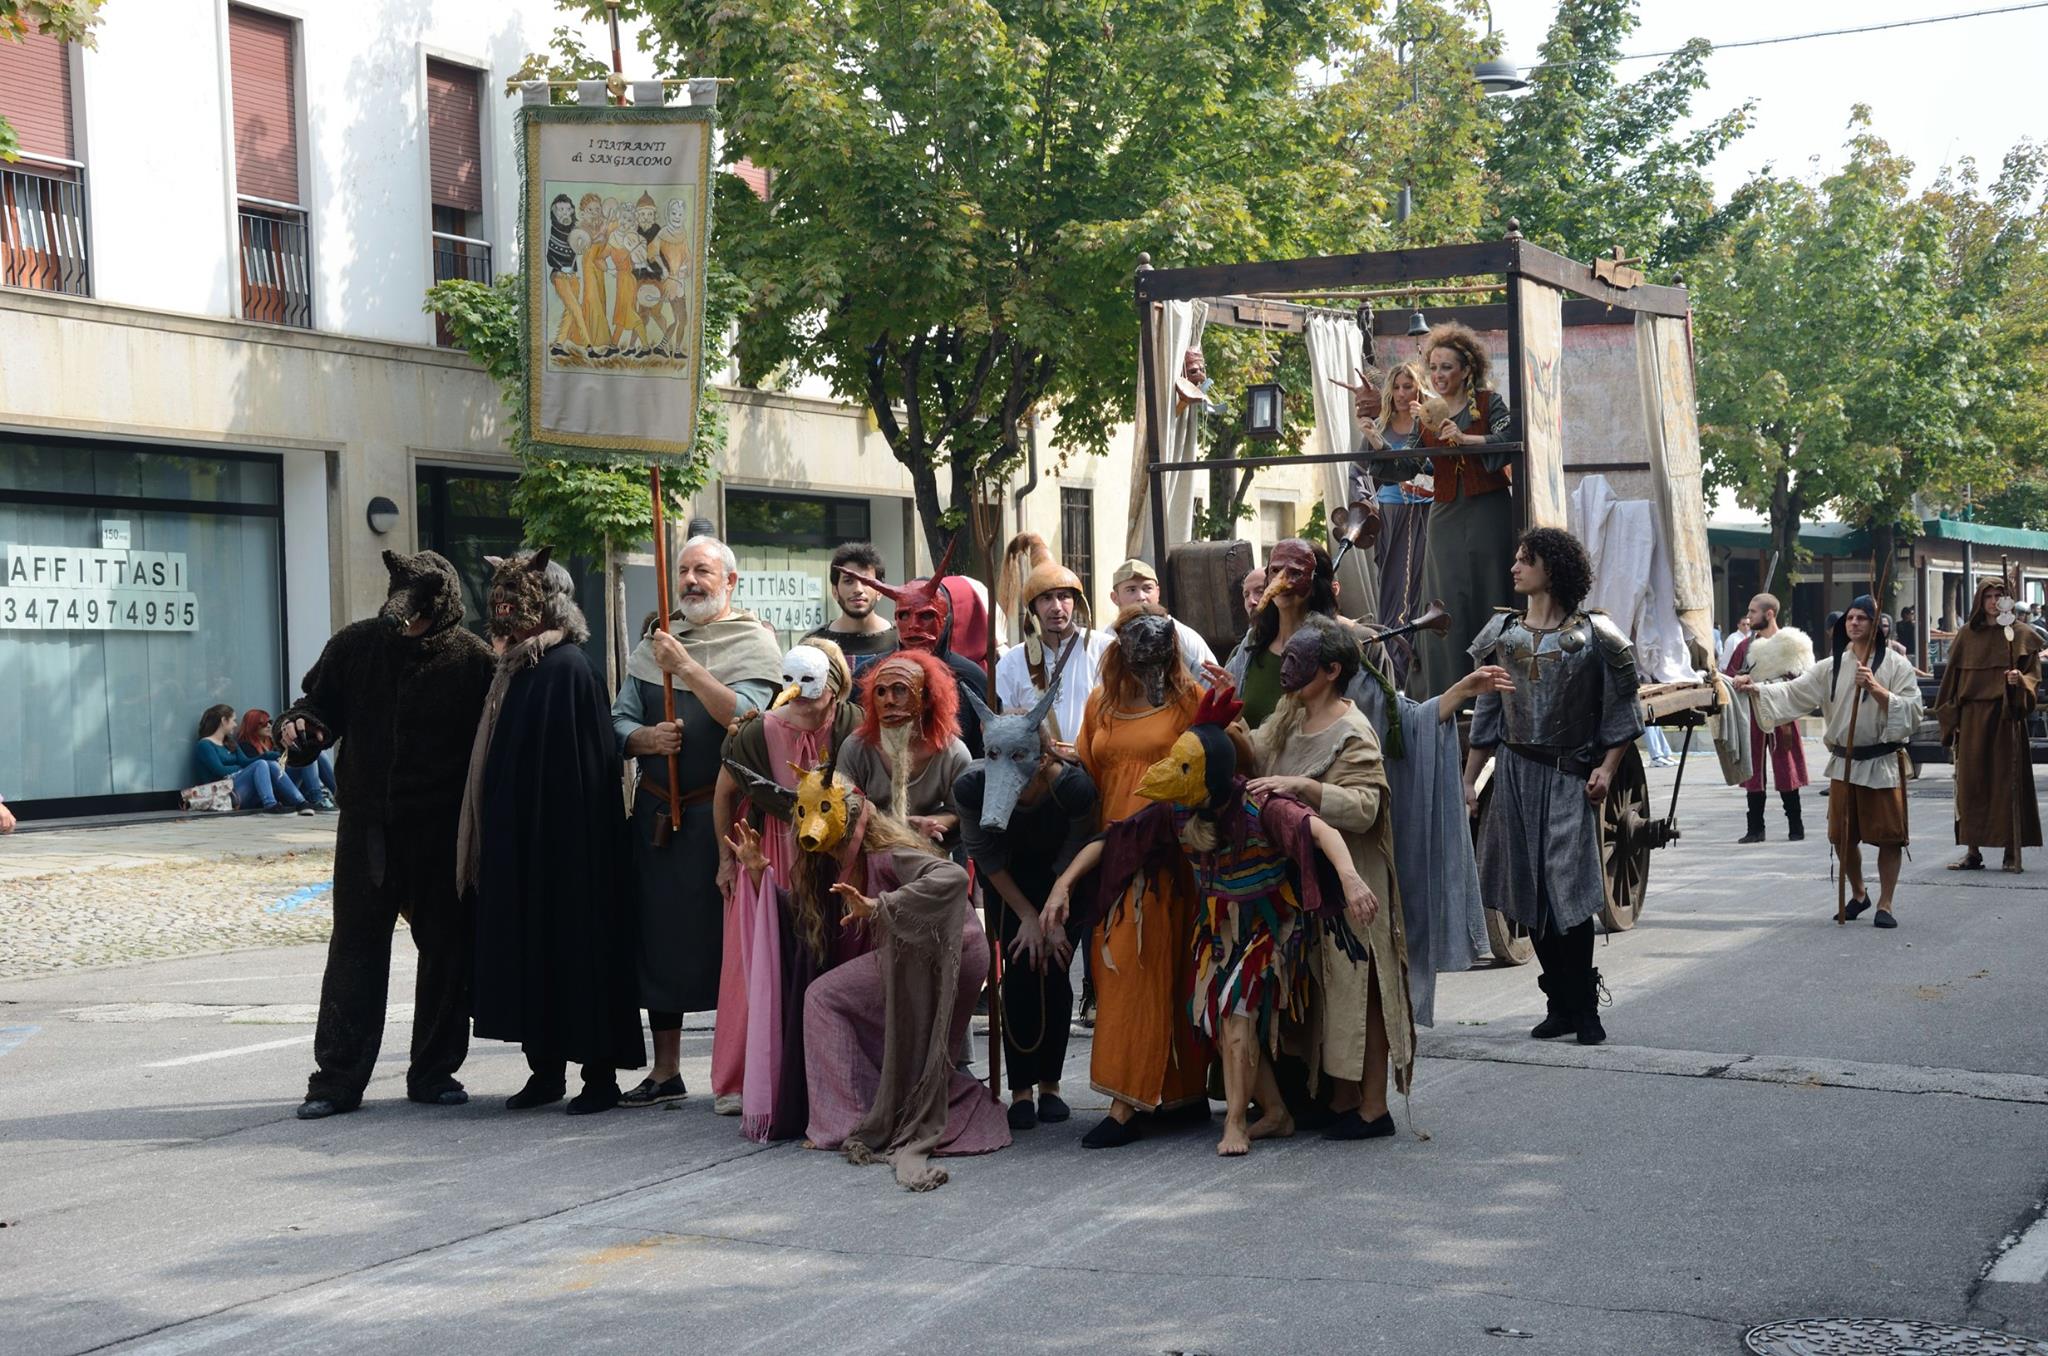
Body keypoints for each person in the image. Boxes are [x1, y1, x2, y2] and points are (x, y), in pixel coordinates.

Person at [1044, 682, 1380, 1157]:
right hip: (1217, 932)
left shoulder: (1260, 805)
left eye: (1185, 766)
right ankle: (1276, 1113)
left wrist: (1350, 879)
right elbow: (1113, 841)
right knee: (1217, 1020)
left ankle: (1236, 1124)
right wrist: (1063, 885)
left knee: (1232, 1009)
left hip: (1269, 930)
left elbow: (1320, 831)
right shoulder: (1178, 811)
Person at [1221, 536, 1493, 1034]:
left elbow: (1393, 722)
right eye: (1275, 570)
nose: (1281, 581)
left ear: (1316, 583)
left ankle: (1344, 1073)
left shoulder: (1339, 650)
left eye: (1295, 572)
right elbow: (1234, 732)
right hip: (1261, 828)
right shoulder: (1249, 653)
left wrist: (1452, 697)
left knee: (1334, 974)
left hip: (1330, 826)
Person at [282, 548, 494, 1120]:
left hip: (441, 832)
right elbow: (316, 707)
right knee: (355, 949)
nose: (411, 623)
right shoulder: (356, 645)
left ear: (443, 606)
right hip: (367, 827)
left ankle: (434, 1071)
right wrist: (303, 732)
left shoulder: (472, 660)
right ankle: (336, 1079)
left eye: (421, 613)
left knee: (446, 949)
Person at [724, 775, 1011, 1190]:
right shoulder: (831, 860)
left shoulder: (885, 853)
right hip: (910, 953)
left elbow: (952, 878)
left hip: (949, 952)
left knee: (823, 997)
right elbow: (803, 921)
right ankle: (876, 1110)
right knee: (835, 1000)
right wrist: (759, 875)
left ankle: (849, 1123)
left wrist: (880, 905)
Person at [461, 549, 645, 1113]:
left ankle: (599, 1077)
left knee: (577, 951)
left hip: (569, 847)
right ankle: (545, 1070)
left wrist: (566, 843)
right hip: (525, 841)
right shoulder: (518, 670)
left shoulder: (568, 669)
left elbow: (587, 769)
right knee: (533, 949)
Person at [611, 535, 783, 1109]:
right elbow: (616, 721)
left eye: (702, 571)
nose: (689, 580)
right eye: (683, 570)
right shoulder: (655, 646)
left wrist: (684, 666)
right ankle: (665, 1070)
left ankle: (743, 1070)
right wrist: (644, 738)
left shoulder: (754, 642)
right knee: (660, 940)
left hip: (729, 818)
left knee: (736, 942)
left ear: (729, 581)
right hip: (661, 814)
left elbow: (747, 717)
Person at [1464, 527, 1643, 1045]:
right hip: (1514, 773)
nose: (1515, 568)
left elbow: (1621, 712)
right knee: (1527, 886)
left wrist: (1607, 768)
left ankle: (1584, 1006)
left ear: (1553, 569)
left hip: (1568, 775)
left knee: (1566, 886)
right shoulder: (1501, 634)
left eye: (1526, 560)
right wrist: (1469, 780)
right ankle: (1559, 1003)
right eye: (1517, 559)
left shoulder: (1598, 636)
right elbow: (1488, 715)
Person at [1043, 604, 1209, 1149]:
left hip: (1167, 855)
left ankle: (1127, 1104)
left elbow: (1218, 763)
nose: (1147, 662)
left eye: (1158, 652)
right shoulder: (1101, 704)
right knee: (1132, 967)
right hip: (1110, 851)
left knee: (1146, 967)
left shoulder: (1190, 700)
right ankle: (1175, 1093)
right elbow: (1090, 775)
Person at [1246, 617, 1416, 1140]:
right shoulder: (1289, 715)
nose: (1285, 667)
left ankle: (1373, 1108)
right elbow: (1253, 752)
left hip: (1354, 883)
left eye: (1298, 660)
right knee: (1326, 992)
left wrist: (1306, 788)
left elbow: (1366, 808)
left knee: (1364, 992)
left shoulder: (1353, 730)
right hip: (1306, 883)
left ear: (1332, 671)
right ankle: (1339, 1097)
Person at [713, 641, 861, 1132]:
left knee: (829, 958)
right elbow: (725, 791)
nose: (797, 692)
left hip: (834, 858)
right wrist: (726, 861)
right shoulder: (758, 731)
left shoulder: (852, 726)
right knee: (758, 962)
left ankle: (821, 1073)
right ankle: (745, 1078)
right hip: (772, 854)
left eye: (809, 682)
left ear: (833, 688)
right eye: (790, 680)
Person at [955, 645, 1096, 1130]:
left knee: (1054, 968)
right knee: (1017, 970)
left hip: (1064, 879)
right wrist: (1027, 916)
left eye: (1017, 756)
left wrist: (1054, 914)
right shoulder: (972, 788)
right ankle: (1020, 1090)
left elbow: (1077, 848)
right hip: (1008, 881)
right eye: (996, 755)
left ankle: (1051, 1084)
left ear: (1041, 756)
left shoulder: (1073, 788)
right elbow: (985, 854)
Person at [1735, 595, 1921, 927]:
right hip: (1844, 763)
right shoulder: (1831, 666)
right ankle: (1860, 894)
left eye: (1862, 618)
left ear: (1874, 625)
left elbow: (1912, 711)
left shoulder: (1897, 666)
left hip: (1881, 762)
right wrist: (1758, 689)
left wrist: (1876, 688)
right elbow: (1795, 691)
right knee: (1841, 835)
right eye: (1850, 618)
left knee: (1889, 836)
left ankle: (1886, 903)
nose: (1854, 623)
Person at [1393, 322, 1515, 698]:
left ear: (1466, 369)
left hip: (1489, 511)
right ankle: (1448, 692)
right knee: (1446, 599)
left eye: (1446, 367)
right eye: (1433, 367)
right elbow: (1409, 460)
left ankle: (1496, 687)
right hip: (1445, 514)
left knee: (1492, 591)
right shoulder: (1428, 413)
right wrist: (1377, 442)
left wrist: (1466, 439)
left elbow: (1510, 438)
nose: (1438, 374)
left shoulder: (1489, 403)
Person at [837, 543, 989, 756]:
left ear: (946, 619)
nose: (913, 626)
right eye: (904, 615)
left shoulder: (972, 679)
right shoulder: (867, 676)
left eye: (926, 616)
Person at [1934, 578, 2042, 873]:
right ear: (1979, 601)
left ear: (2008, 600)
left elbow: (2033, 678)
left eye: (1999, 596)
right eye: (1988, 596)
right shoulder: (1967, 635)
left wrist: (2019, 681)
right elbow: (1951, 683)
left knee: (2007, 783)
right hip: (1971, 719)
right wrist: (1951, 719)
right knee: (1971, 784)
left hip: (2006, 716)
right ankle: (1972, 851)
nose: (1994, 602)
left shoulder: (2021, 634)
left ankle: (2011, 850)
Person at [1350, 362, 1434, 688]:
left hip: (1426, 512)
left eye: (1407, 386)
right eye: (1396, 387)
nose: (1401, 393)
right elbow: (1359, 471)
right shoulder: (1380, 426)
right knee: (1391, 587)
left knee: (1422, 588)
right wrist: (1365, 505)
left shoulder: (1429, 424)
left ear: (1419, 388)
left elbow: (1440, 466)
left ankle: (1419, 671)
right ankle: (1391, 671)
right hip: (1391, 513)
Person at [833, 650, 971, 845]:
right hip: (868, 850)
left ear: (925, 698)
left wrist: (932, 823)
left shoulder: (953, 754)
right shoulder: (856, 747)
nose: (889, 701)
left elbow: (959, 810)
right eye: (881, 692)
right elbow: (841, 806)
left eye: (900, 689)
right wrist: (884, 823)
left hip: (928, 852)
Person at [1722, 592, 1814, 843]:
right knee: (1753, 771)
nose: (1748, 617)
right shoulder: (1745, 646)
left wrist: (1762, 686)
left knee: (1786, 767)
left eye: (1753, 612)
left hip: (1781, 714)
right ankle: (1755, 828)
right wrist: (1738, 680)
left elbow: (1800, 681)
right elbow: (1730, 675)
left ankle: (1796, 825)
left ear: (1769, 613)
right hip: (1751, 714)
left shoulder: (1792, 644)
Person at [995, 560, 1108, 752]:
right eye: (1046, 598)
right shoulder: (1011, 663)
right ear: (1033, 608)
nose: (1056, 607)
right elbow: (1001, 724)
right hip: (1037, 764)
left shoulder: (1104, 649)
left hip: (1094, 762)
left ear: (1076, 602)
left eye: (1064, 597)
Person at [804, 541, 900, 683]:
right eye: (848, 581)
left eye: (866, 581)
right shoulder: (814, 644)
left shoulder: (902, 640)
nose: (858, 589)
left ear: (880, 590)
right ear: (835, 591)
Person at [193, 705, 313, 815]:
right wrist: (244, 769)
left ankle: (301, 802)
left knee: (270, 764)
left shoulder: (229, 742)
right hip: (223, 795)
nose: (235, 724)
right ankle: (270, 804)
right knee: (260, 764)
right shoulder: (205, 745)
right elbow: (220, 770)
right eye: (233, 720)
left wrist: (269, 755)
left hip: (239, 789)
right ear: (224, 721)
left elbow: (245, 762)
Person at [1109, 558, 1217, 676]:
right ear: (1115, 598)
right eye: (1131, 590)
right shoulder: (1108, 638)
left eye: (1147, 588)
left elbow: (1211, 681)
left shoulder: (1184, 637)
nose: (1141, 597)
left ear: (1158, 592)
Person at [236, 709, 336, 811]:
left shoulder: (272, 742)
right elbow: (256, 769)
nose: (269, 726)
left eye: (270, 722)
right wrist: (270, 755)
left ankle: (338, 794)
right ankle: (316, 798)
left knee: (315, 753)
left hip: (287, 780)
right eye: (265, 724)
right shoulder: (246, 745)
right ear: (253, 726)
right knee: (304, 755)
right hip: (276, 788)